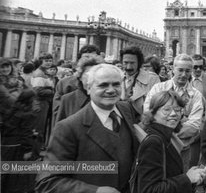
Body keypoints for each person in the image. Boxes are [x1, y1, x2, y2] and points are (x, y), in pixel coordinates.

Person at [36, 63, 139, 193]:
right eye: (103, 85)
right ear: (89, 88)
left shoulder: (126, 109)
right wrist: (94, 191)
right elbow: (47, 182)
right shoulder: (68, 127)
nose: (111, 90)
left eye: (116, 84)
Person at [133, 90, 206, 193]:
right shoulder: (154, 142)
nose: (173, 114)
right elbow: (149, 190)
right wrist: (187, 179)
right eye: (166, 109)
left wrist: (192, 180)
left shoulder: (168, 137)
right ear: (153, 113)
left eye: (177, 110)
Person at [144, 54, 204, 169]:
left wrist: (163, 127)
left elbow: (194, 125)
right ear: (173, 69)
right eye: (180, 70)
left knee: (181, 181)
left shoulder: (196, 95)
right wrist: (181, 122)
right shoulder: (158, 88)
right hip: (157, 148)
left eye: (187, 71)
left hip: (182, 150)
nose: (183, 74)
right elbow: (148, 115)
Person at [54, 55, 104, 125]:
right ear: (80, 76)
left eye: (96, 74)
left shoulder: (107, 98)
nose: (92, 78)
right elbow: (58, 128)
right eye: (89, 74)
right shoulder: (68, 99)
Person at [52, 44, 101, 115]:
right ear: (79, 60)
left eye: (93, 57)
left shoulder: (106, 83)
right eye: (86, 57)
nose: (90, 60)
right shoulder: (64, 83)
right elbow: (58, 111)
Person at [120, 46, 160, 117]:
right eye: (125, 63)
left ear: (139, 63)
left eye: (132, 63)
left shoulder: (152, 79)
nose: (128, 67)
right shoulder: (116, 79)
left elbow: (157, 106)